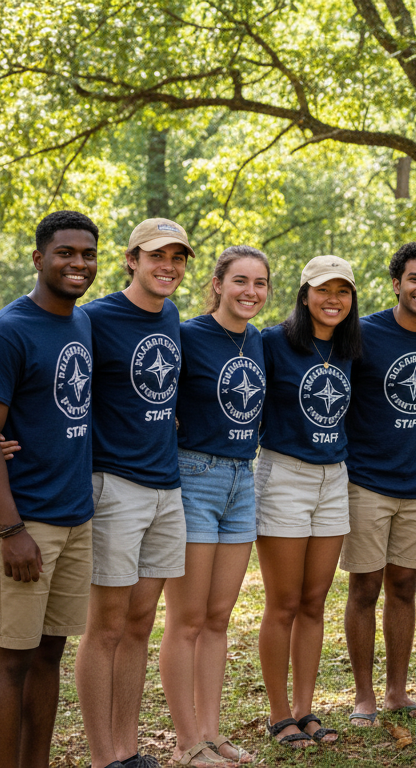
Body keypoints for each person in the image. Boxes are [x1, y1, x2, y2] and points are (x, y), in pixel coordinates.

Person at [0, 211, 98, 768]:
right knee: (12, 655)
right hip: (23, 518)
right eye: (66, 253)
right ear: (39, 258)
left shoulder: (81, 323)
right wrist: (12, 529)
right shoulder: (6, 331)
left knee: (50, 653)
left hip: (74, 513)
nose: (78, 263)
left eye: (87, 254)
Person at [77, 217, 193, 768]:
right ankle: (104, 758)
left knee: (141, 623)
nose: (167, 265)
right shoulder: (94, 318)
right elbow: (56, 379)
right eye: (156, 256)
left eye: (177, 257)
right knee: (106, 626)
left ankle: (128, 750)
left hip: (165, 488)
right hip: (114, 485)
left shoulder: (170, 315)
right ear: (132, 259)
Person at [160, 246, 271, 766]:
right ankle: (187, 742)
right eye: (241, 281)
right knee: (187, 619)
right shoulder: (186, 336)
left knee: (219, 618)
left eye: (261, 283)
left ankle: (212, 731)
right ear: (218, 284)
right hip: (194, 478)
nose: (251, 291)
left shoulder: (261, 343)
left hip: (241, 482)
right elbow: (145, 396)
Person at [342, 241, 416, 725]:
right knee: (364, 588)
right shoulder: (364, 333)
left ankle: (397, 692)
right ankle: (363, 696)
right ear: (396, 283)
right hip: (366, 479)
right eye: (415, 279)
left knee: (404, 587)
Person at [256, 256, 361, 749]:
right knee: (284, 603)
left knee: (315, 603)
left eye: (343, 290)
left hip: (334, 480)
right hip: (284, 476)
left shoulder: (348, 348)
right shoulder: (273, 343)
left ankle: (305, 708)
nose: (333, 299)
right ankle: (280, 715)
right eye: (323, 290)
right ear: (304, 295)